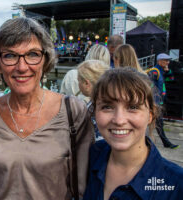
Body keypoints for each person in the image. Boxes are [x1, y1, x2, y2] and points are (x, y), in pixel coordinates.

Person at [0, 17, 94, 200]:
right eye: (10, 56)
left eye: (32, 54)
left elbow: (86, 185)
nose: (22, 67)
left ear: (45, 60)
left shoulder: (73, 112)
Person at [83, 67, 183, 200]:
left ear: (150, 116)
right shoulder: (90, 156)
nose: (119, 120)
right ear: (95, 112)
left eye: (133, 107)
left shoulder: (176, 184)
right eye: (107, 107)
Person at [147, 53, 179, 149]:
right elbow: (149, 85)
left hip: (158, 102)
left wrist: (168, 71)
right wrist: (153, 101)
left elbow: (171, 79)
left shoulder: (161, 71)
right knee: (158, 122)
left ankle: (165, 142)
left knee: (158, 122)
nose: (167, 62)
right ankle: (166, 142)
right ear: (159, 61)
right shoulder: (155, 71)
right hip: (154, 102)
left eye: (168, 60)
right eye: (165, 60)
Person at [77, 60, 109, 141]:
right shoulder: (107, 101)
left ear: (86, 83)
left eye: (79, 81)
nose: (78, 84)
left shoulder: (94, 108)